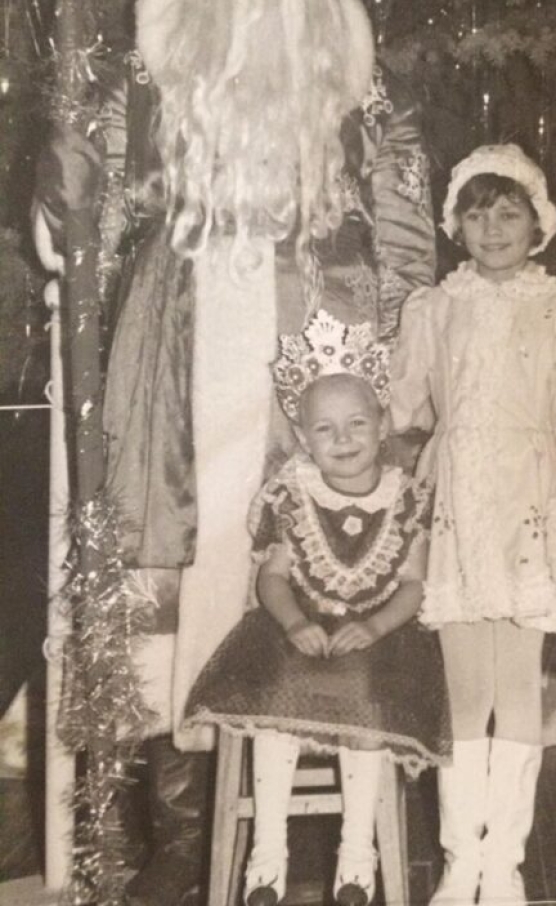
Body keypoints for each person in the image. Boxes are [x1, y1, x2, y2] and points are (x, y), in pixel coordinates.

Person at [30, 0, 436, 903]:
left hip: (318, 349)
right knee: (178, 564)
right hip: (176, 351)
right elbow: (84, 205)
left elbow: (403, 232)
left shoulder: (359, 92)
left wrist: (402, 361)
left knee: (309, 550)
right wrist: (62, 191)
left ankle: (312, 821)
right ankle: (180, 824)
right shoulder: (152, 76)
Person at [184, 312, 450, 906]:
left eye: (357, 423)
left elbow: (413, 584)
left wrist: (376, 624)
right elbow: (273, 577)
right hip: (296, 628)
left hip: (377, 635)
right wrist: (295, 621)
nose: (344, 439)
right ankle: (266, 858)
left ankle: (357, 855)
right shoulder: (292, 493)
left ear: (383, 425)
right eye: (325, 429)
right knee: (276, 696)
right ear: (304, 439)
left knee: (368, 693)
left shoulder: (407, 498)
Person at [391, 144, 556, 906]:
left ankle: (503, 860)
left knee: (515, 687)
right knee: (462, 689)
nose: (493, 229)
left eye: (508, 213)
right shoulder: (434, 309)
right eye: (476, 216)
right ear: (455, 225)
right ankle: (460, 860)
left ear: (537, 221)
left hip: (527, 507)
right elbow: (405, 408)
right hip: (456, 508)